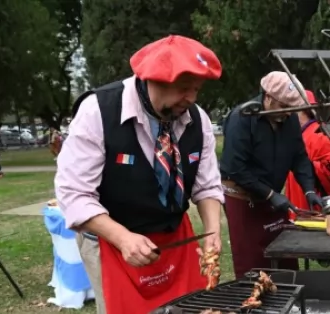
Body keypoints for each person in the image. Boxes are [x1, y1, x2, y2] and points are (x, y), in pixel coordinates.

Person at [55, 35, 224, 314]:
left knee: (189, 309)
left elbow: (206, 186)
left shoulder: (197, 118)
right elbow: (74, 194)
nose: (191, 98)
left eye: (197, 89)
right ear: (153, 79)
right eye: (184, 88)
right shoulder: (98, 111)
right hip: (112, 242)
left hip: (175, 241)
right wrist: (122, 238)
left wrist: (212, 230)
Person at [220, 71, 324, 279]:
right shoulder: (242, 117)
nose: (288, 113)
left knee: (285, 257)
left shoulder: (290, 120)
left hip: (272, 200)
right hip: (244, 200)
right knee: (253, 265)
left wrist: (309, 189)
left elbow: (299, 157)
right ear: (268, 96)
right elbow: (235, 167)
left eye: (291, 108)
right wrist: (270, 195)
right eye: (284, 107)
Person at [285, 89, 330, 216]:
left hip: (314, 202)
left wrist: (310, 168)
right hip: (297, 197)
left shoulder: (320, 134)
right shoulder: (297, 134)